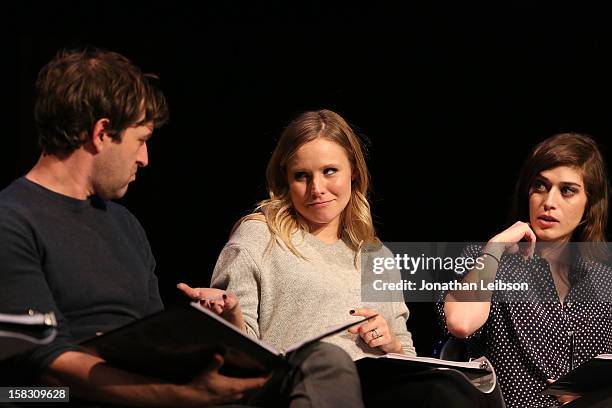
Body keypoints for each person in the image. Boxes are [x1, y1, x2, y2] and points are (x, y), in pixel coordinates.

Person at [0, 49, 363, 408]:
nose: (144, 158)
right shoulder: (12, 221)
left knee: (324, 363)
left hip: (169, 389)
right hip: (84, 397)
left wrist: (204, 333)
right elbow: (45, 370)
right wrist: (180, 396)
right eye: (141, 140)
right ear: (101, 133)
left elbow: (149, 341)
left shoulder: (125, 226)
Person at [180, 110, 505, 407]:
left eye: (329, 171)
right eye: (302, 176)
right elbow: (238, 355)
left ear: (353, 171)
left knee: (453, 389)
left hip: (372, 387)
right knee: (329, 360)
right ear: (285, 179)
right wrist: (230, 313)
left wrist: (389, 342)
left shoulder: (374, 253)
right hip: (290, 387)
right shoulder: (260, 236)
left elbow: (406, 355)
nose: (316, 188)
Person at [442, 133, 612, 408]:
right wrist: (495, 248)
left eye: (567, 190)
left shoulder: (603, 280)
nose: (549, 202)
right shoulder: (485, 259)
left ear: (589, 204)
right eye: (540, 186)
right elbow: (461, 323)